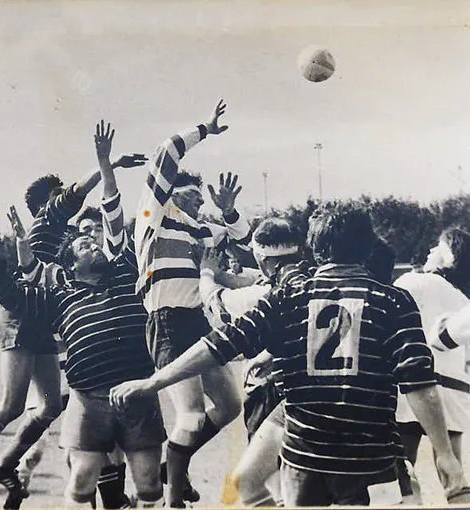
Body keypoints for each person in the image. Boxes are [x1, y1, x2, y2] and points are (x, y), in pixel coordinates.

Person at [111, 202, 470, 506]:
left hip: (303, 461)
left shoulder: (288, 297)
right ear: (367, 248)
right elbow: (418, 382)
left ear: (316, 248)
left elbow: (218, 345)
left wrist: (152, 381)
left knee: (245, 485)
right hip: (370, 463)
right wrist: (444, 452)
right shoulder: (392, 301)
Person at [0, 131, 147, 510]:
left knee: (50, 407)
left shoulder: (62, 236)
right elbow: (74, 196)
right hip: (21, 316)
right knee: (11, 405)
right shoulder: (45, 222)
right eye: (59, 192)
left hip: (43, 315)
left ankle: (5, 464)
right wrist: (108, 165)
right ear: (46, 202)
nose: (66, 195)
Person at [0, 120, 164, 508]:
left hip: (137, 391)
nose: (95, 245)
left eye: (94, 240)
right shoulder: (59, 295)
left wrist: (106, 166)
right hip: (88, 397)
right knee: (83, 479)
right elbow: (17, 295)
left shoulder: (122, 268)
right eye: (85, 244)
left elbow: (114, 213)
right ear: (71, 266)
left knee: (149, 484)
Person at [133, 99, 249, 507]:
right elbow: (165, 153)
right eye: (193, 198)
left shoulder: (199, 230)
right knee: (192, 415)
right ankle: (173, 498)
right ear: (172, 195)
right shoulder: (153, 215)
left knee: (231, 405)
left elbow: (244, 242)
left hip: (196, 322)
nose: (201, 205)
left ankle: (172, 468)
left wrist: (231, 213)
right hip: (166, 322)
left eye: (203, 201)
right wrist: (206, 129)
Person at [200, 217, 305, 507]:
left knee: (260, 482)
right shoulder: (305, 278)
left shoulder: (263, 294)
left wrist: (206, 273)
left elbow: (216, 305)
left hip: (273, 392)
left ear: (261, 258)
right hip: (308, 389)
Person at [394, 227, 470, 493]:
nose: (429, 251)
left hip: (412, 387)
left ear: (449, 255)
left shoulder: (413, 281)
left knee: (403, 471)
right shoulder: (463, 297)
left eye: (436, 247)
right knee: (453, 477)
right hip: (455, 388)